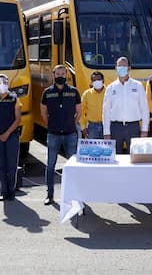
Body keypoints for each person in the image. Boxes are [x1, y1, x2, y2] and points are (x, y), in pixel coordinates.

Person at [40, 65, 81, 205]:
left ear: (66, 75)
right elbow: (43, 113)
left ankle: (74, 194)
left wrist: (71, 123)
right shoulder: (47, 92)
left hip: (70, 134)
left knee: (73, 166)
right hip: (53, 134)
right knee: (50, 165)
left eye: (63, 73)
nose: (60, 76)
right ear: (53, 75)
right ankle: (49, 195)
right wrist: (51, 125)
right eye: (58, 73)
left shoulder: (74, 92)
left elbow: (79, 112)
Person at [103, 57, 150, 153]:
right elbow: (106, 112)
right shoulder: (110, 88)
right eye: (119, 66)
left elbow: (144, 109)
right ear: (116, 68)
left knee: (135, 157)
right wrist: (106, 132)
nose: (122, 68)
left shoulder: (138, 86)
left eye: (124, 66)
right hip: (116, 128)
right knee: (115, 158)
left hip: (133, 127)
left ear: (129, 68)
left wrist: (144, 130)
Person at [80, 71, 106, 139]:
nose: (97, 81)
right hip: (92, 127)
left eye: (99, 79)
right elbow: (81, 111)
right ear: (91, 82)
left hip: (107, 126)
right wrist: (83, 127)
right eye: (94, 80)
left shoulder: (109, 92)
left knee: (107, 149)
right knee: (93, 149)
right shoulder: (87, 94)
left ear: (103, 80)